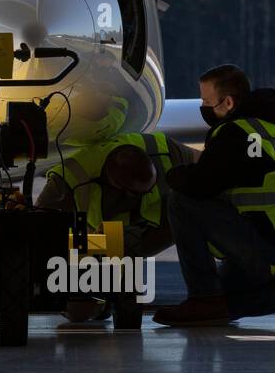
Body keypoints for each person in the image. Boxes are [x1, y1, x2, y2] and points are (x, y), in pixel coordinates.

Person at [153, 63, 275, 327]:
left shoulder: (236, 133)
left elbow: (200, 185)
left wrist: (170, 173)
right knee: (228, 298)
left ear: (228, 103)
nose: (203, 108)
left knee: (180, 202)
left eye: (206, 101)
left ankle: (203, 298)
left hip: (272, 246)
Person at [37, 131, 195, 322]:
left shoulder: (165, 151)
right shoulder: (67, 181)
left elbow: (209, 167)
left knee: (193, 207)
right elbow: (41, 235)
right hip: (87, 235)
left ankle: (205, 296)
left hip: (143, 231)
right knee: (80, 309)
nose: (142, 197)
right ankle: (103, 295)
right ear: (118, 188)